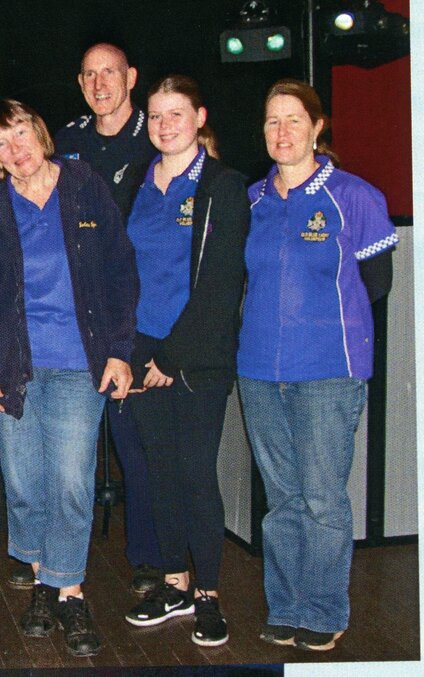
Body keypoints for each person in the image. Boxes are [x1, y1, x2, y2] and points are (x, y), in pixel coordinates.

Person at [0, 99, 137, 657]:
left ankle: (68, 592)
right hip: (9, 368)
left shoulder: (84, 186)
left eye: (21, 133)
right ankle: (41, 575)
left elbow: (121, 269)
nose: (15, 149)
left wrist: (121, 351)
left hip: (80, 365)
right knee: (25, 488)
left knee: (71, 483)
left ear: (40, 132)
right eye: (1, 143)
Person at [238, 79, 397, 652]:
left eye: (293, 120)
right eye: (271, 122)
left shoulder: (354, 196)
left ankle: (324, 610)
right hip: (258, 369)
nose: (281, 132)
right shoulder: (253, 199)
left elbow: (376, 285)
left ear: (317, 126)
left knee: (323, 498)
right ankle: (286, 605)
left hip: (329, 371)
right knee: (282, 498)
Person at [120, 76, 249, 648]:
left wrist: (170, 358)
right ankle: (174, 584)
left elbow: (220, 284)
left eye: (176, 114)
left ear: (199, 117)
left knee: (197, 473)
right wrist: (130, 352)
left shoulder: (224, 185)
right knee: (159, 472)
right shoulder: (138, 185)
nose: (165, 125)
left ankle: (208, 597)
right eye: (155, 116)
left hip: (195, 358)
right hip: (143, 350)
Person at [54, 42, 164, 597]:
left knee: (136, 446)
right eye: (90, 75)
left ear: (132, 76)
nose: (101, 85)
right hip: (71, 321)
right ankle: (53, 567)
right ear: (80, 82)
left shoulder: (158, 136)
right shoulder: (66, 141)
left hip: (132, 317)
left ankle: (146, 559)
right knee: (64, 453)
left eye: (111, 74)